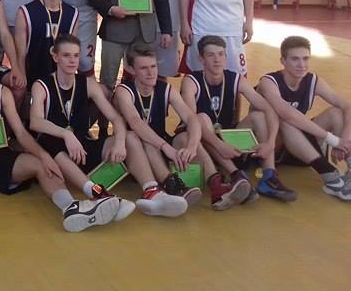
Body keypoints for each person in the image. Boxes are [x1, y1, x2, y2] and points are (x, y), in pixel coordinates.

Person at [0, 40, 128, 235]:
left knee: (43, 164)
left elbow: (21, 133)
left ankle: (70, 208)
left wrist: (44, 156)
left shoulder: (2, 93)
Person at [29, 35, 188, 218]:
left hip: (82, 147)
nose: (72, 60)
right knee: (49, 141)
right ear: (55, 57)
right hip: (56, 150)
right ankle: (98, 193)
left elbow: (116, 118)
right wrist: (66, 134)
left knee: (130, 136)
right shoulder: (42, 85)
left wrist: (119, 143)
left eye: (76, 55)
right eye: (66, 55)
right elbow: (36, 121)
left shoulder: (88, 84)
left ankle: (151, 192)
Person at [113, 44, 251, 210]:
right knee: (141, 138)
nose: (151, 73)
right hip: (134, 153)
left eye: (153, 66)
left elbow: (191, 118)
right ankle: (168, 185)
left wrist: (192, 146)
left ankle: (216, 185)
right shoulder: (124, 90)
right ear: (131, 69)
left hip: (160, 150)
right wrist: (165, 147)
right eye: (143, 68)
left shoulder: (166, 89)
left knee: (185, 137)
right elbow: (136, 122)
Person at [180, 36, 296, 204]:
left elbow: (268, 108)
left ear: (226, 56)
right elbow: (192, 121)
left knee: (259, 116)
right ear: (201, 59)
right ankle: (236, 176)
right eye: (211, 55)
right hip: (201, 141)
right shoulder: (191, 81)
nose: (217, 59)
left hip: (227, 139)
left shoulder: (235, 79)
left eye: (221, 54)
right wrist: (220, 145)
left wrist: (270, 142)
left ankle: (269, 176)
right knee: (201, 118)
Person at [256, 36, 351, 201]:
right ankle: (330, 177)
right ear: (283, 61)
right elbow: (286, 113)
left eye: (305, 58)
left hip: (302, 148)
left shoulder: (312, 80)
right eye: (295, 59)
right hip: (273, 149)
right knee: (285, 119)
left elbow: (347, 106)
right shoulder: (268, 82)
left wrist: (344, 140)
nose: (302, 64)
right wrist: (332, 140)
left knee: (336, 112)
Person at [15, 0, 79, 87]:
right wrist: (22, 81)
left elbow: (71, 53)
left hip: (60, 84)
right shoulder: (25, 12)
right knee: (17, 89)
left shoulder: (73, 13)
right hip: (33, 80)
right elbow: (20, 55)